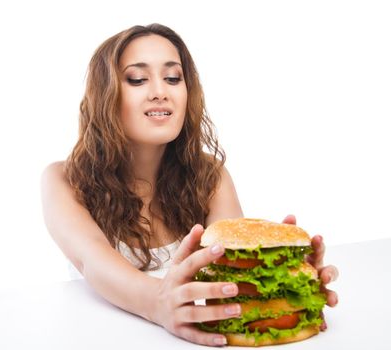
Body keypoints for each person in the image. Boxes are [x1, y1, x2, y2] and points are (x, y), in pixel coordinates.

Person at [40, 23, 338, 347]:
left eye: (173, 77)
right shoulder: (64, 181)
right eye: (137, 79)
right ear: (105, 95)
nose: (160, 91)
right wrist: (158, 303)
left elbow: (228, 270)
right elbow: (91, 259)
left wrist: (280, 281)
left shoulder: (210, 176)